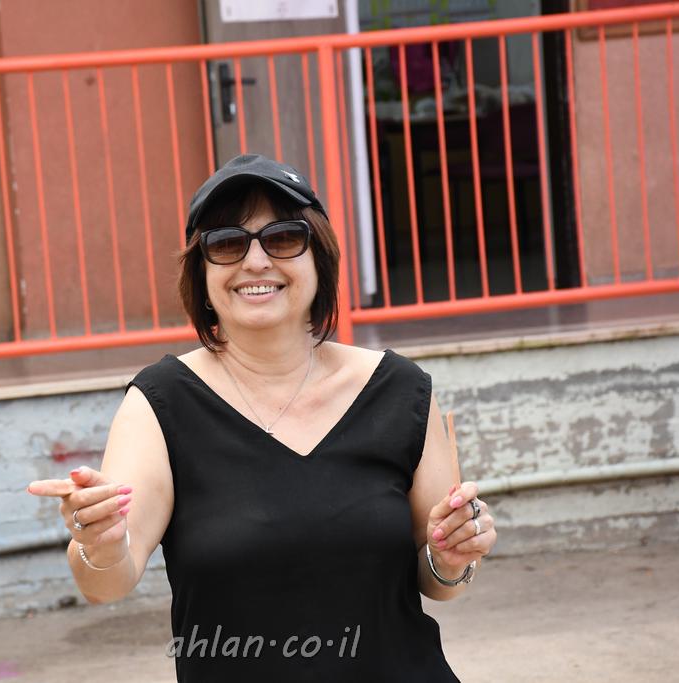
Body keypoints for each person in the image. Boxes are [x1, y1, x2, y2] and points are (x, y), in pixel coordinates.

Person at [28, 154, 497, 681]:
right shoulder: (160, 404)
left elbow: (439, 580)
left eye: (283, 238)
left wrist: (451, 558)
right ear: (201, 274)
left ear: (319, 260)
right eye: (227, 243)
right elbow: (105, 583)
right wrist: (100, 543)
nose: (255, 262)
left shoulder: (399, 390)